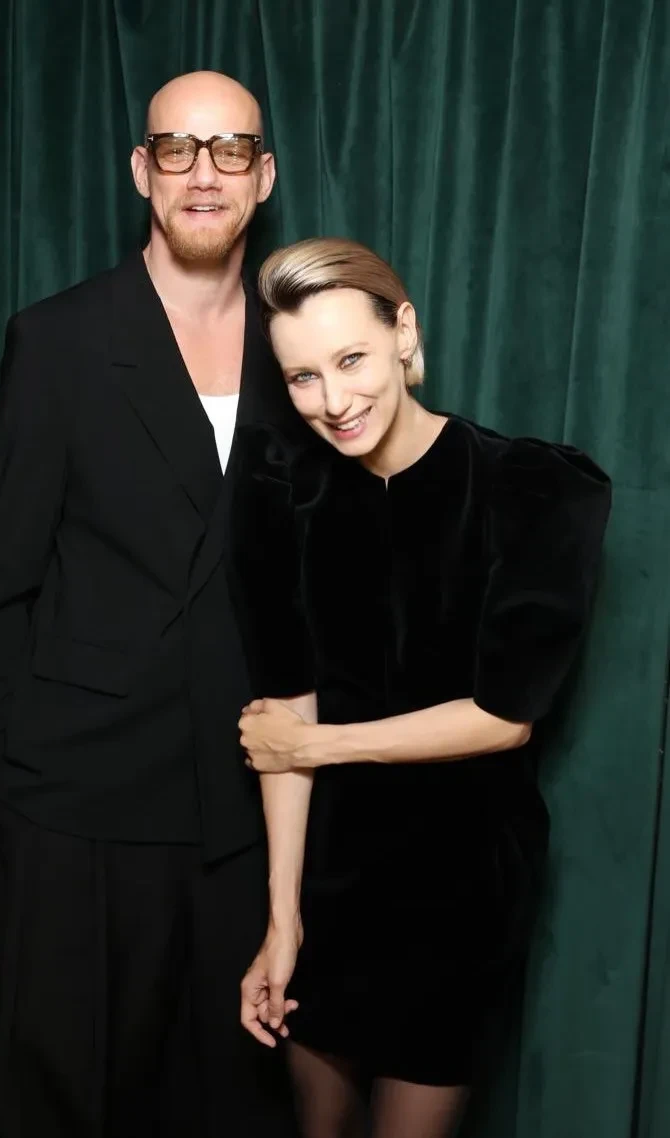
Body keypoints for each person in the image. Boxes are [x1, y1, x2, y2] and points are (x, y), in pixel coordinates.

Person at [0, 71, 302, 1138]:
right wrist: (16, 776)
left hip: (242, 801)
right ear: (142, 171)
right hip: (77, 804)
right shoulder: (57, 340)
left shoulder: (300, 349)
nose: (205, 174)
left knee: (226, 1107)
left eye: (230, 150)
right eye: (178, 149)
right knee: (67, 1102)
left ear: (263, 176)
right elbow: (0, 587)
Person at [230, 237, 611, 1138]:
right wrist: (282, 922)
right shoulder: (284, 495)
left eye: (351, 360)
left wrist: (314, 743)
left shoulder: (531, 487)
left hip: (462, 881)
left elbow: (504, 716)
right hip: (334, 873)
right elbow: (286, 713)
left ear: (404, 332)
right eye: (303, 377)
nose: (333, 401)